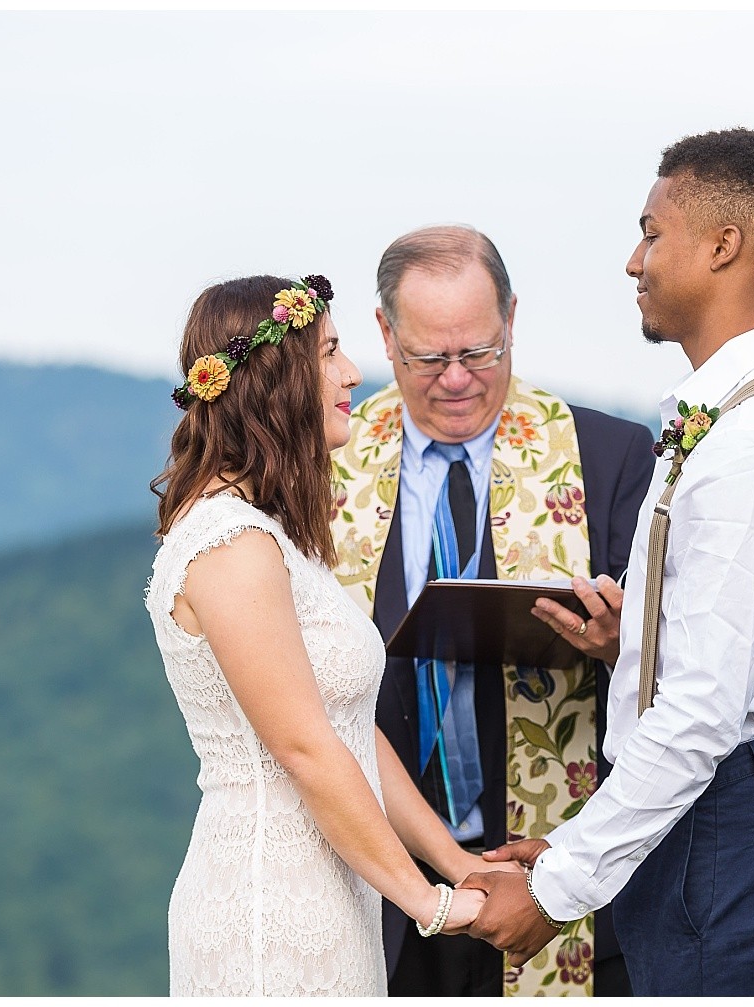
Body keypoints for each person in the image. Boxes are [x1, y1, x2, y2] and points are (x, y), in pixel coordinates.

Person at [461, 128, 754, 996]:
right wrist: (628, 642)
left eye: (651, 231)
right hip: (699, 812)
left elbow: (706, 710)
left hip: (728, 814)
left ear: (723, 245)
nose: (632, 260)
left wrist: (557, 886)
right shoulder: (727, 420)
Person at [144, 273, 499, 996]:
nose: (353, 373)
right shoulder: (230, 543)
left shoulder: (277, 536)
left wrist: (460, 863)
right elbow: (305, 749)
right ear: (276, 377)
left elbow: (348, 730)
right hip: (266, 910)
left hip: (333, 897)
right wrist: (428, 903)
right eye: (331, 352)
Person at [331, 226, 656, 995]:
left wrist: (620, 644)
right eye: (427, 358)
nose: (455, 380)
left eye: (478, 353)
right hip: (378, 883)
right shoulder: (325, 464)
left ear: (511, 318)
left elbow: (683, 669)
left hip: (556, 877)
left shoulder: (608, 457)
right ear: (384, 333)